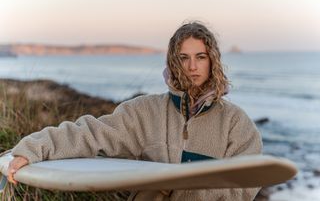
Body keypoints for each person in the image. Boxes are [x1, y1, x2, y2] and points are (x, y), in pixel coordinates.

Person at [7, 21, 262, 200]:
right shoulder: (144, 112)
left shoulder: (236, 124)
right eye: (184, 58)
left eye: (201, 57)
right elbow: (91, 133)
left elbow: (245, 184)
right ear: (174, 62)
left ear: (213, 60)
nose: (192, 66)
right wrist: (33, 149)